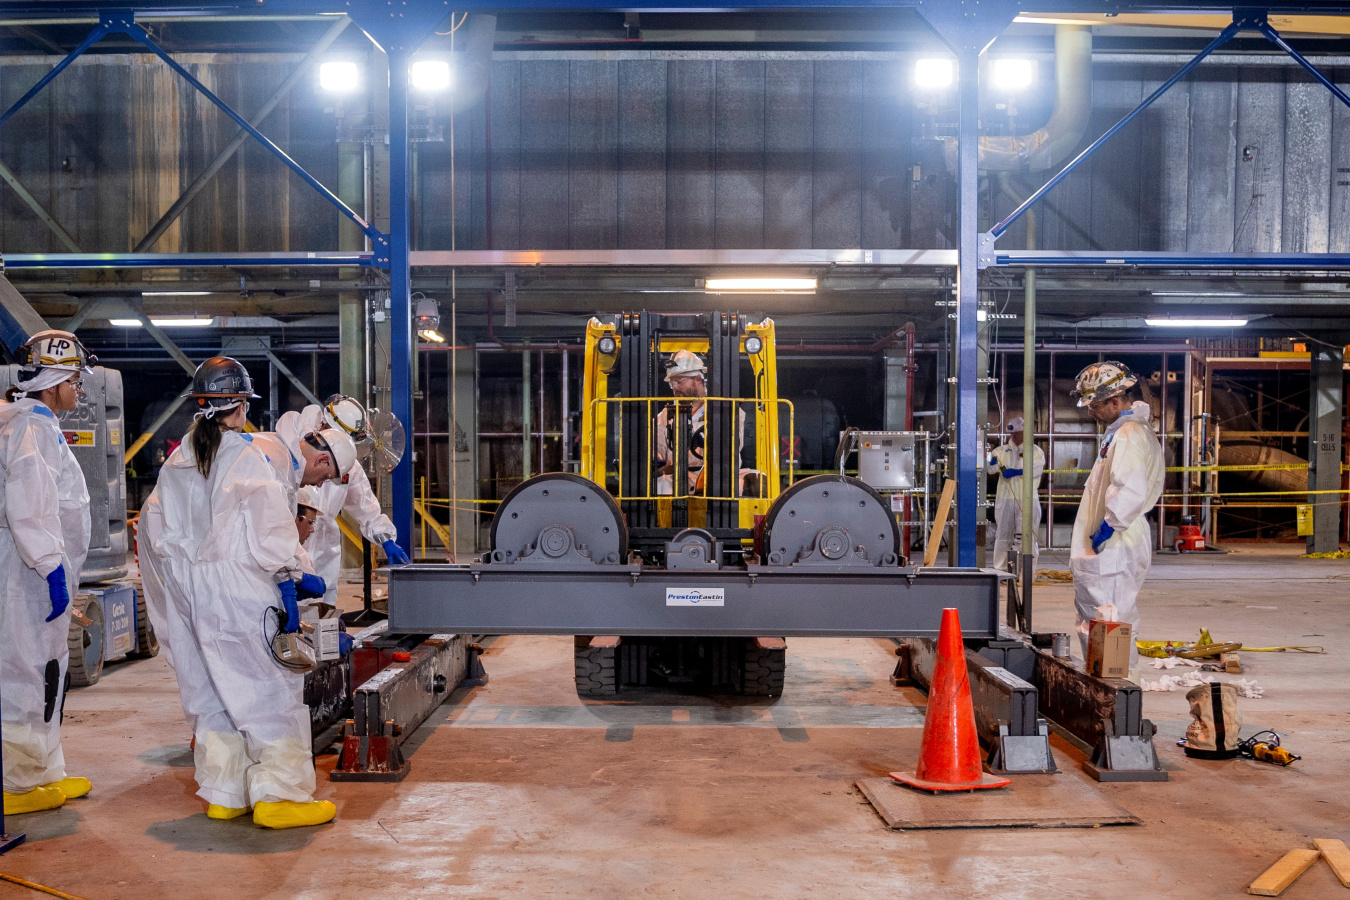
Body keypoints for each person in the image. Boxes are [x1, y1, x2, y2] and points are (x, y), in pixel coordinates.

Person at [139, 356, 335, 829]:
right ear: (241, 405)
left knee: (210, 689)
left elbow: (155, 526)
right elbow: (271, 532)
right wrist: (291, 578)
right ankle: (281, 797)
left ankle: (226, 793)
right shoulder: (246, 456)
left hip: (188, 589)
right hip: (240, 587)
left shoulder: (179, 457)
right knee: (269, 689)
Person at [0, 330, 93, 816]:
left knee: (48, 672)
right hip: (28, 572)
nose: (79, 390)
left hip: (38, 569)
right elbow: (29, 506)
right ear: (53, 383)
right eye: (74, 380)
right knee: (26, 672)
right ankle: (16, 784)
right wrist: (50, 566)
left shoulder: (37, 424)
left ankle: (44, 769)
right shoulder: (31, 428)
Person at [1068, 361, 1164, 679]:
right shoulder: (1120, 433)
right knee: (1102, 616)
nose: (1090, 412)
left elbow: (1130, 487)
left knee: (1110, 618)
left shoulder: (1129, 434)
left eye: (1094, 405)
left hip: (1117, 542)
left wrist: (1108, 527)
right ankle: (1107, 686)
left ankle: (1118, 691)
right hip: (1114, 540)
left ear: (1114, 401)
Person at [275, 396, 407, 605]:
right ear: (325, 425)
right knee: (288, 599)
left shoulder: (349, 467)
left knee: (323, 605)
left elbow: (366, 506)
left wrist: (386, 539)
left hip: (325, 543)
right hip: (291, 535)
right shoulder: (293, 450)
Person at [986, 416, 1045, 571]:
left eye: (1017, 433)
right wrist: (990, 461)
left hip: (1028, 499)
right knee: (1003, 535)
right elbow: (991, 469)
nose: (1014, 436)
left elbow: (1036, 470)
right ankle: (1001, 570)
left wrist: (1017, 471)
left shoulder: (1035, 451)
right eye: (1012, 433)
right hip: (1005, 499)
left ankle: (1027, 572)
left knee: (1027, 536)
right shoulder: (1000, 451)